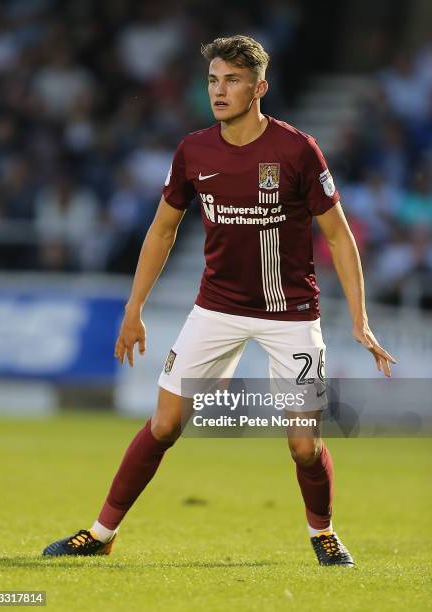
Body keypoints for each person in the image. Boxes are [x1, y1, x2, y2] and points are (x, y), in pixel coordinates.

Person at [42, 35, 396, 566]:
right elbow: (162, 231)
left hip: (291, 315)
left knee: (303, 444)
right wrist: (132, 310)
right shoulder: (193, 150)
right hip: (216, 309)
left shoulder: (297, 150)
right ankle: (101, 532)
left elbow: (340, 236)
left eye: (232, 80)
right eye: (213, 80)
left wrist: (361, 319)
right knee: (163, 425)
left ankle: (322, 532)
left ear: (259, 87)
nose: (219, 90)